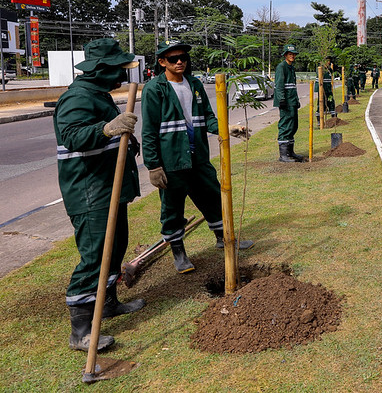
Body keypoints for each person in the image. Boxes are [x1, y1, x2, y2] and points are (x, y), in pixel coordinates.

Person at [54, 38, 145, 352]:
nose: (121, 73)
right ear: (100, 69)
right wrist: (107, 129)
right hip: (89, 192)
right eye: (117, 68)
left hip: (109, 188)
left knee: (116, 247)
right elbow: (72, 135)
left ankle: (107, 304)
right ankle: (80, 330)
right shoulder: (77, 98)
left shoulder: (99, 94)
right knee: (94, 257)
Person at [141, 41, 254, 275]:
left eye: (183, 57)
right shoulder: (155, 89)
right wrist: (153, 165)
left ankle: (224, 239)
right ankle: (179, 253)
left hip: (198, 157)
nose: (180, 61)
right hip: (172, 161)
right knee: (172, 208)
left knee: (213, 198)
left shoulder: (194, 85)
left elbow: (208, 118)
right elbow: (149, 130)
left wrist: (227, 128)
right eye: (173, 59)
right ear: (162, 62)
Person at [274, 44, 305, 163]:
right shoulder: (281, 67)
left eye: (293, 54)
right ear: (285, 55)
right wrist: (281, 100)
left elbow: (293, 86)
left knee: (293, 126)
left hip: (292, 101)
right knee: (285, 125)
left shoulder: (291, 67)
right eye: (290, 54)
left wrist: (296, 100)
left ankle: (290, 152)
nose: (292, 56)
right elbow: (279, 85)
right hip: (285, 102)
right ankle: (283, 155)